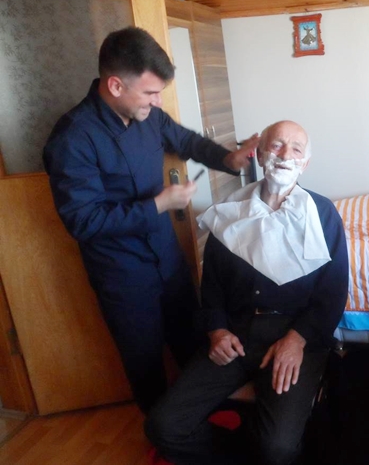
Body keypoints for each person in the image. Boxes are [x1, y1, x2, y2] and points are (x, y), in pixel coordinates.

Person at [42, 27, 257, 413]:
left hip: (166, 255)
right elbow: (84, 222)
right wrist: (158, 204)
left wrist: (229, 159)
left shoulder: (148, 115)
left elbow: (187, 142)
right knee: (144, 363)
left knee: (192, 339)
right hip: (121, 272)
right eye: (150, 93)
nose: (158, 102)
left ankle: (205, 415)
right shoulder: (73, 138)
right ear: (115, 85)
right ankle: (162, 432)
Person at [145, 120, 349, 465]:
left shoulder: (323, 214)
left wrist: (297, 339)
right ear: (261, 154)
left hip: (295, 336)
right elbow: (211, 285)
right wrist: (217, 330)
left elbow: (333, 292)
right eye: (276, 145)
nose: (285, 155)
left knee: (278, 448)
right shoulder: (230, 211)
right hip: (235, 334)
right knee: (163, 426)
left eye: (296, 149)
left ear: (305, 163)